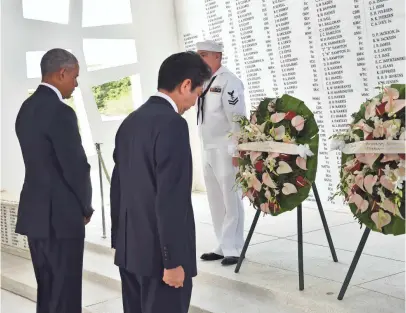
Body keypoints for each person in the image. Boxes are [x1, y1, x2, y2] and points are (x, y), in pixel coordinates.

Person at [110, 51, 212, 313]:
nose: (193, 103)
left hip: (130, 255)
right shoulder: (172, 125)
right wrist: (173, 261)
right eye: (196, 95)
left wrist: (119, 244)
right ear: (186, 84)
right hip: (160, 262)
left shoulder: (129, 122)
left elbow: (117, 188)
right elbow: (171, 199)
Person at [15, 48, 93, 313]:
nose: (75, 84)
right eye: (75, 77)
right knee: (67, 292)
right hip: (61, 216)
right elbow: (76, 167)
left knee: (47, 289)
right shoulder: (61, 112)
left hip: (35, 214)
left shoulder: (26, 108)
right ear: (63, 73)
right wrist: (85, 206)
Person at [196, 40, 246, 266]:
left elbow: (237, 118)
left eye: (204, 54)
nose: (200, 59)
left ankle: (234, 246)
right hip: (207, 147)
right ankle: (221, 243)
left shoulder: (229, 81)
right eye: (198, 54)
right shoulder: (203, 81)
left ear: (218, 56)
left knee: (230, 198)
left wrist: (237, 148)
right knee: (215, 198)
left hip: (226, 148)